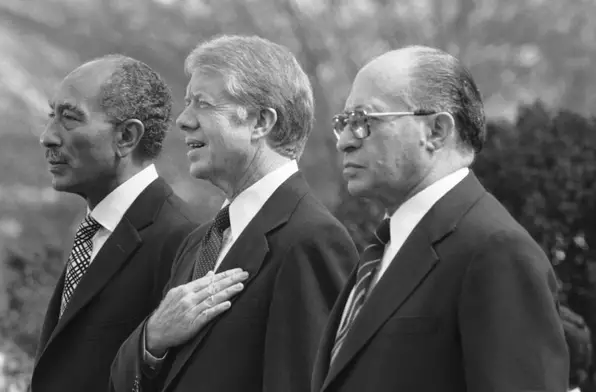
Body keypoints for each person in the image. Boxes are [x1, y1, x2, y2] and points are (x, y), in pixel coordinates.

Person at [311, 45, 569, 392]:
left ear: (436, 131)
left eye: (363, 122)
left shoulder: (496, 252)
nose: (344, 142)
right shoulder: (384, 248)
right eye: (343, 123)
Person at [110, 35, 358, 392]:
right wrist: (152, 339)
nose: (183, 120)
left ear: (260, 122)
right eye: (186, 103)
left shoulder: (311, 240)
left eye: (203, 104)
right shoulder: (199, 242)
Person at [31, 55, 199, 392]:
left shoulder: (183, 240)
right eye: (52, 116)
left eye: (69, 119)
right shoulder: (94, 230)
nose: (47, 137)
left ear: (126, 136)